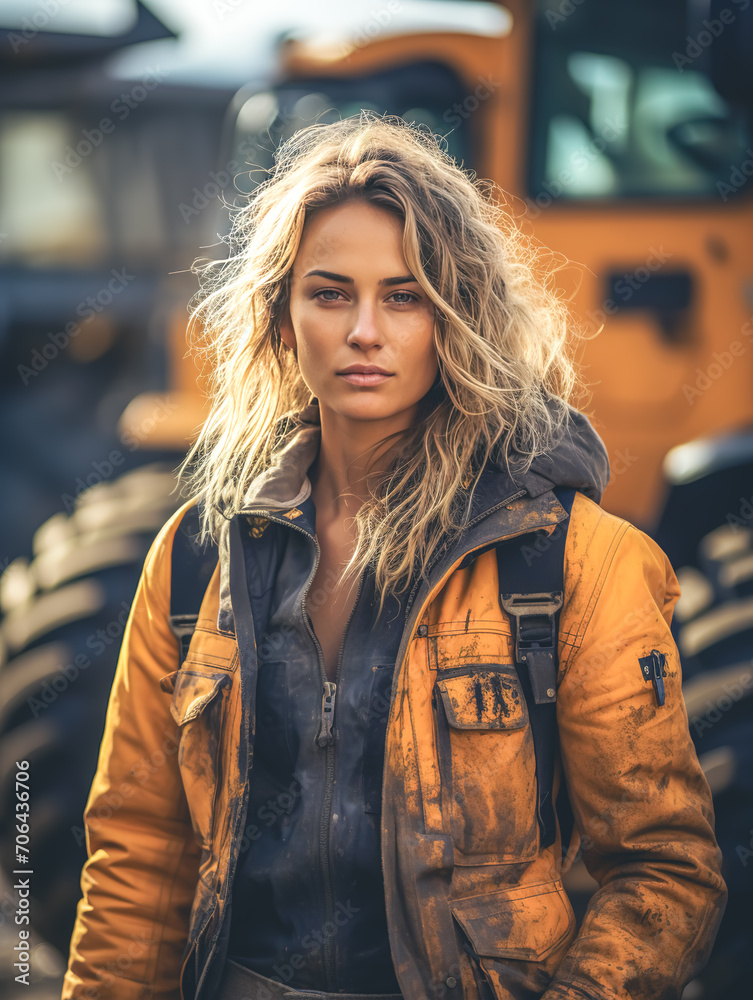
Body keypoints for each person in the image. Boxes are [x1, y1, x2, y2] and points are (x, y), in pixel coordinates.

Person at [62, 112, 725, 1000]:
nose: (364, 330)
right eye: (330, 293)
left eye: (404, 296)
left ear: (455, 318)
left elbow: (661, 872)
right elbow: (137, 855)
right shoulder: (194, 562)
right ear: (281, 318)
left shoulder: (574, 563)